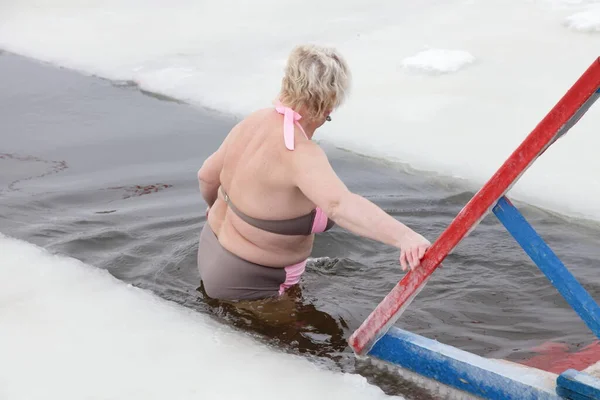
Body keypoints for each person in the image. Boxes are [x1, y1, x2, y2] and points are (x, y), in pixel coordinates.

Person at [197, 44, 431, 301]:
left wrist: (219, 208)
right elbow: (340, 205)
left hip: (210, 250)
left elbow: (207, 177)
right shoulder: (299, 153)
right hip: (252, 282)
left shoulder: (253, 122)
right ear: (329, 104)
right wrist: (405, 237)